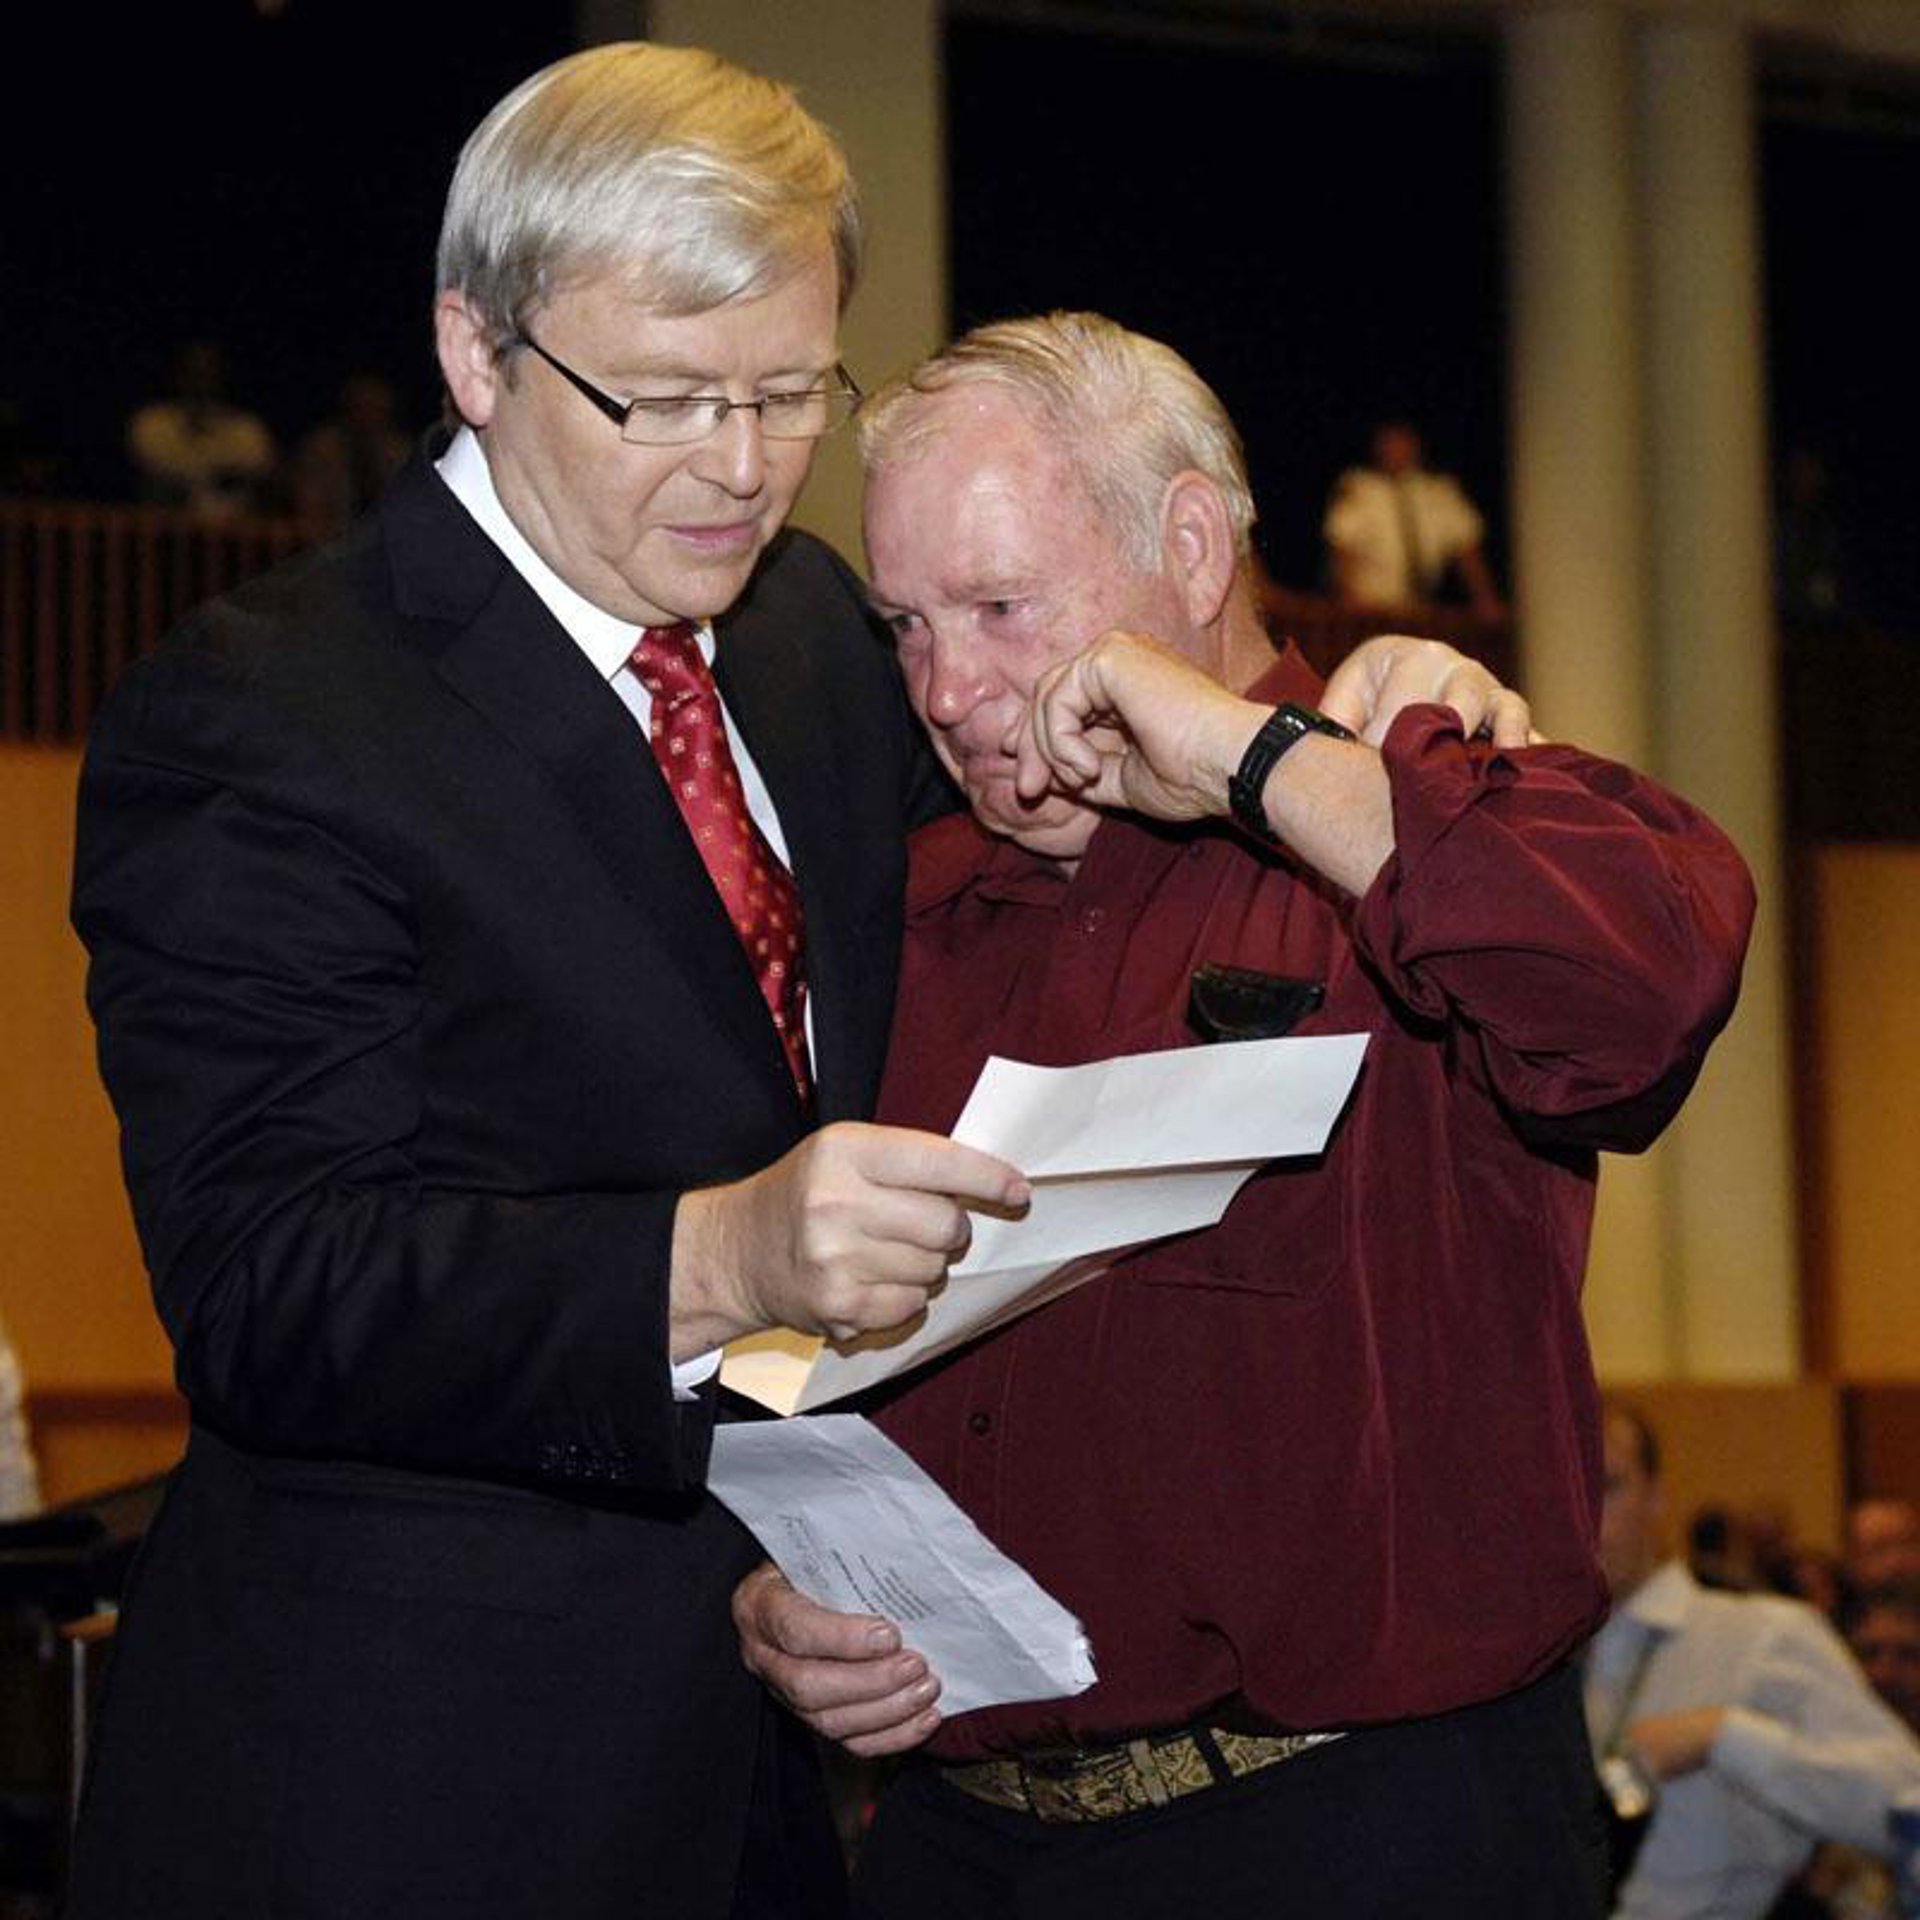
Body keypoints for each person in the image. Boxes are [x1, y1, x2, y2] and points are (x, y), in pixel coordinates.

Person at [68, 43, 1030, 1920]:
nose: (743, 468)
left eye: (791, 393)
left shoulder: (813, 633)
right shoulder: (267, 709)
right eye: (664, 400)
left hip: (761, 1762)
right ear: (477, 353)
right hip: (403, 1786)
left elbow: (1038, 862)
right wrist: (722, 1255)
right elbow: (272, 1281)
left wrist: (1309, 715)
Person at [734, 310, 1755, 1918]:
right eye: (908, 626)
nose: (949, 687)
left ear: (1193, 545)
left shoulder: (1410, 807)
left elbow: (1641, 1000)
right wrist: (773, 1598)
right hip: (958, 1845)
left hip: (1361, 1835)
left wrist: (1250, 753)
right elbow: (785, 1344)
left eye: (1000, 607)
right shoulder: (905, 919)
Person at [1585, 1403, 1920, 1919]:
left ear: (1656, 1496)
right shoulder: (1522, 1670)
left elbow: (1904, 1796)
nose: (1581, 1516)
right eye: (1559, 1494)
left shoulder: (1758, 1636)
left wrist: (1725, 1736)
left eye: (1607, 1486)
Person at [1323, 417, 1505, 617]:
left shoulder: (1439, 492)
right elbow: (1342, 548)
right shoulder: (1359, 489)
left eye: (1401, 442)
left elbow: (1466, 547)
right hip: (1371, 607)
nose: (1395, 450)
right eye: (1388, 443)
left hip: (1421, 607)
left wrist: (1486, 599)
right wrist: (1347, 599)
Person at [125, 339, 278, 517]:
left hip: (232, 527)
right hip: (165, 526)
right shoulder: (152, 423)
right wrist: (209, 480)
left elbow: (259, 476)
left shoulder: (248, 432)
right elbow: (157, 477)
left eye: (209, 373)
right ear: (179, 376)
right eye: (195, 373)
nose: (202, 383)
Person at [288, 370, 413, 532]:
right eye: (361, 409)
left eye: (376, 410)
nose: (367, 419)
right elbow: (308, 508)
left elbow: (408, 510)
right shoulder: (321, 451)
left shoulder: (400, 454)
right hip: (331, 538)